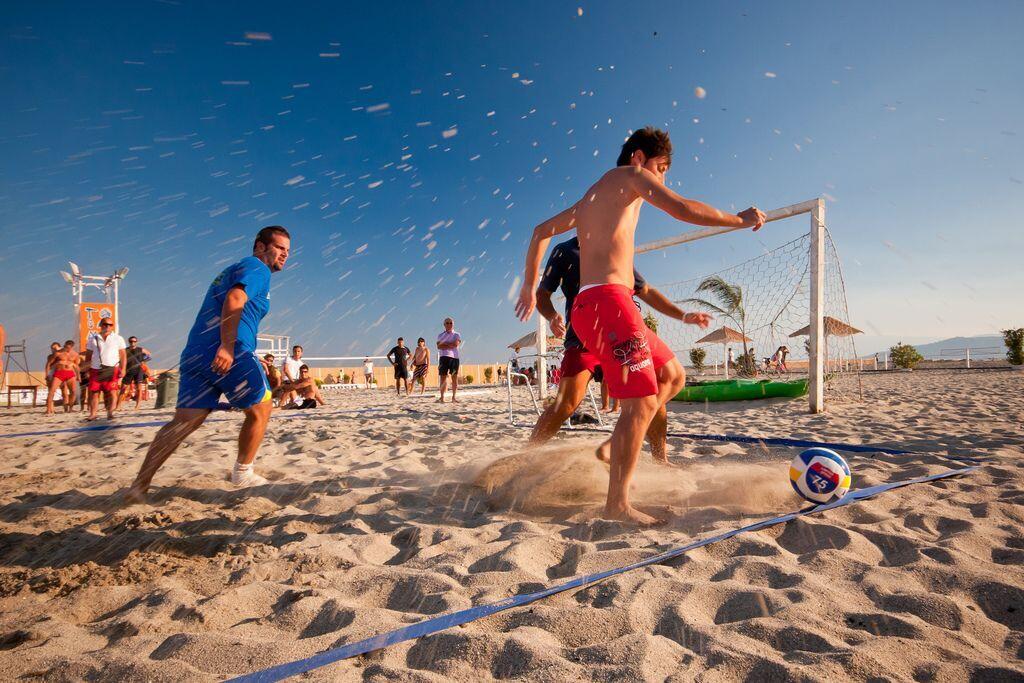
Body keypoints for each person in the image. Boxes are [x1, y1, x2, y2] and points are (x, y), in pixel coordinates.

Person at [515, 126, 764, 524]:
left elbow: (539, 231)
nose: (661, 179)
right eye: (660, 168)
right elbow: (681, 208)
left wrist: (528, 287)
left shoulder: (590, 199)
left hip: (602, 305)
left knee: (673, 375)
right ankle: (617, 505)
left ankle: (614, 448)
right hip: (607, 302)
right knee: (639, 401)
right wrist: (738, 219)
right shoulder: (631, 178)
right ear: (638, 159)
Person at [126, 225, 290, 502]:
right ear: (260, 246)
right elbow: (235, 298)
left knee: (185, 421)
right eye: (279, 248)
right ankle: (243, 472)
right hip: (230, 350)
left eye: (288, 250)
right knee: (263, 406)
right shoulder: (256, 267)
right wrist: (227, 346)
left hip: (196, 353)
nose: (284, 255)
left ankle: (139, 485)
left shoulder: (232, 269)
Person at [531, 236, 703, 462]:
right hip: (585, 336)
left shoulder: (616, 247)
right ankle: (525, 455)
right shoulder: (565, 250)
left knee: (652, 390)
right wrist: (552, 316)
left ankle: (660, 460)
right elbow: (542, 295)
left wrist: (681, 314)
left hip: (625, 332)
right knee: (566, 404)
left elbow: (646, 290)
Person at [85, 319, 127, 421]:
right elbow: (88, 355)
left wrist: (123, 368)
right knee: (94, 392)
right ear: (100, 325)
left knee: (112, 392)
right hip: (96, 368)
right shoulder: (92, 338)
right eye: (105, 324)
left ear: (112, 326)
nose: (107, 326)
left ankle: (110, 413)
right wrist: (86, 369)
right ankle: (93, 414)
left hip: (112, 368)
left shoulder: (118, 338)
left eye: (110, 324)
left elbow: (123, 355)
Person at [45, 340, 79, 415]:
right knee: (52, 390)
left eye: (68, 347)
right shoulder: (58, 353)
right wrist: (47, 375)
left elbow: (76, 366)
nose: (67, 348)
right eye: (66, 347)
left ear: (72, 347)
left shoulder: (75, 354)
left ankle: (70, 408)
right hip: (59, 373)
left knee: (73, 391)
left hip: (70, 373)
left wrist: (78, 376)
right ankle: (48, 409)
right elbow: (48, 364)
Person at [119, 336, 152, 410]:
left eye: (134, 341)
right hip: (128, 370)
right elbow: (121, 359)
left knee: (139, 388)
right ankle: (118, 405)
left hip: (138, 370)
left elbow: (149, 355)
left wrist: (144, 360)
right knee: (123, 388)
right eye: (131, 341)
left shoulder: (140, 349)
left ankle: (137, 406)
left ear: (136, 342)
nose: (132, 343)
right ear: (129, 342)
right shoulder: (125, 350)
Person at [436, 317, 462, 403]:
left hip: (454, 358)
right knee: (443, 378)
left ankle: (454, 397)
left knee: (454, 378)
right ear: (444, 325)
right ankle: (442, 397)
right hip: (443, 358)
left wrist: (445, 344)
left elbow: (455, 344)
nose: (449, 324)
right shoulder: (440, 335)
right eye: (447, 323)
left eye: (450, 323)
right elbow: (439, 346)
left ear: (453, 324)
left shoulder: (456, 334)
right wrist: (449, 344)